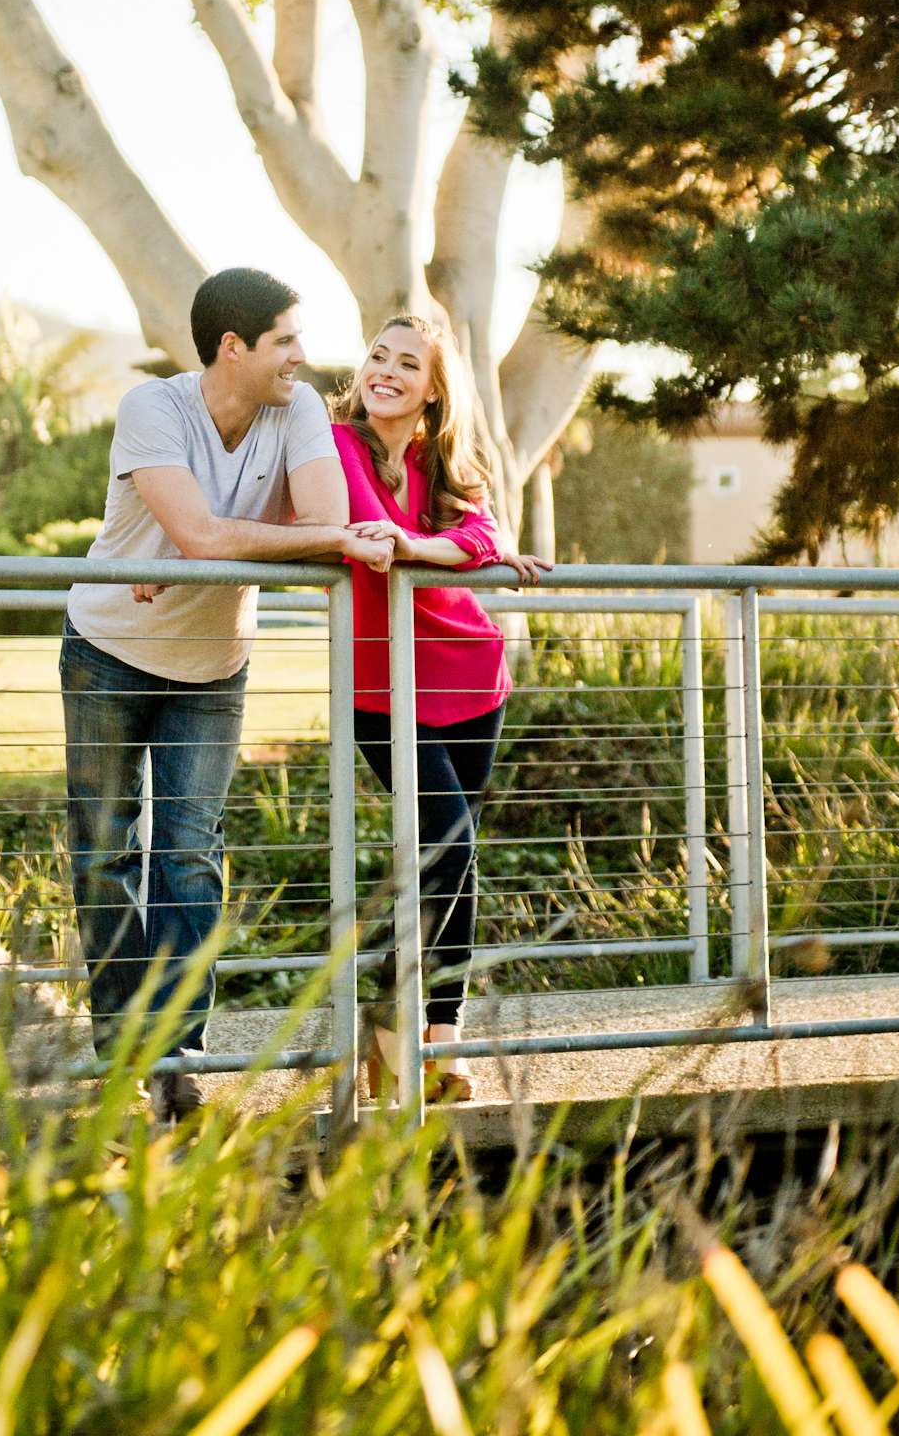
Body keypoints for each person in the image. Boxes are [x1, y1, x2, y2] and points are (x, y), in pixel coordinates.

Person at [62, 267, 394, 1119]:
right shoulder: (154, 409)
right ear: (232, 347)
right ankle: (118, 1053)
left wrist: (212, 548)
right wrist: (226, 541)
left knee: (188, 857)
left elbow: (324, 534)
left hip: (212, 667)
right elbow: (217, 532)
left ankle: (176, 1053)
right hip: (108, 649)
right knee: (106, 851)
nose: (302, 356)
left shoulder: (301, 408)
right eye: (284, 340)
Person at [330, 314, 549, 1103]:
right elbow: (361, 530)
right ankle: (393, 1038)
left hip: (469, 671)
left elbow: (480, 536)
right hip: (381, 685)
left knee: (451, 861)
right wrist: (438, 544)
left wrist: (423, 547)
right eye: (377, 357)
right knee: (445, 846)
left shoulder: (444, 462)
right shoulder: (336, 446)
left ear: (431, 389)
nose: (384, 371)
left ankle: (440, 1043)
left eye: (405, 364)